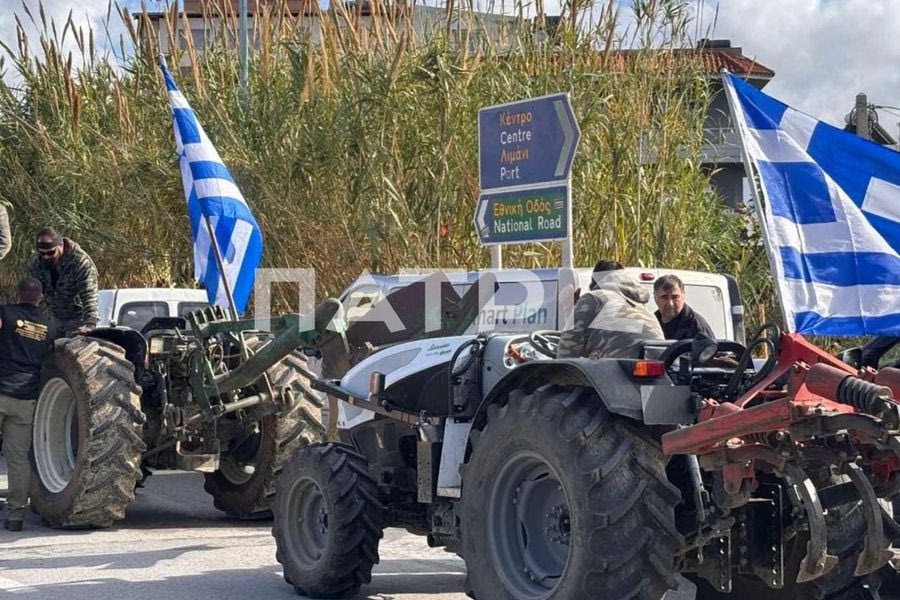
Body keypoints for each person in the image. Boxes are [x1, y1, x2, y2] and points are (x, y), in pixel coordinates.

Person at [0, 277, 50, 531]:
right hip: (25, 398)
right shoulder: (48, 325)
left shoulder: (5, 313)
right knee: (18, 459)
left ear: (17, 295)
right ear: (40, 298)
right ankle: (16, 516)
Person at [557, 260, 664, 359]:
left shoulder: (594, 298)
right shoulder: (641, 307)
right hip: (661, 363)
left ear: (594, 282)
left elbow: (567, 351)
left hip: (623, 369)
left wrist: (569, 308)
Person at [26, 227, 99, 339]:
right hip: (53, 318)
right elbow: (34, 294)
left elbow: (89, 295)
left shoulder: (80, 262)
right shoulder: (36, 262)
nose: (46, 257)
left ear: (61, 245)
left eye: (50, 253)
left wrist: (90, 324)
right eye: (42, 253)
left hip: (78, 319)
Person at [653, 274, 715, 340]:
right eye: (664, 298)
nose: (670, 304)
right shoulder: (651, 323)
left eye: (675, 297)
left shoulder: (696, 325)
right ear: (655, 298)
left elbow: (710, 349)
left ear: (683, 296)